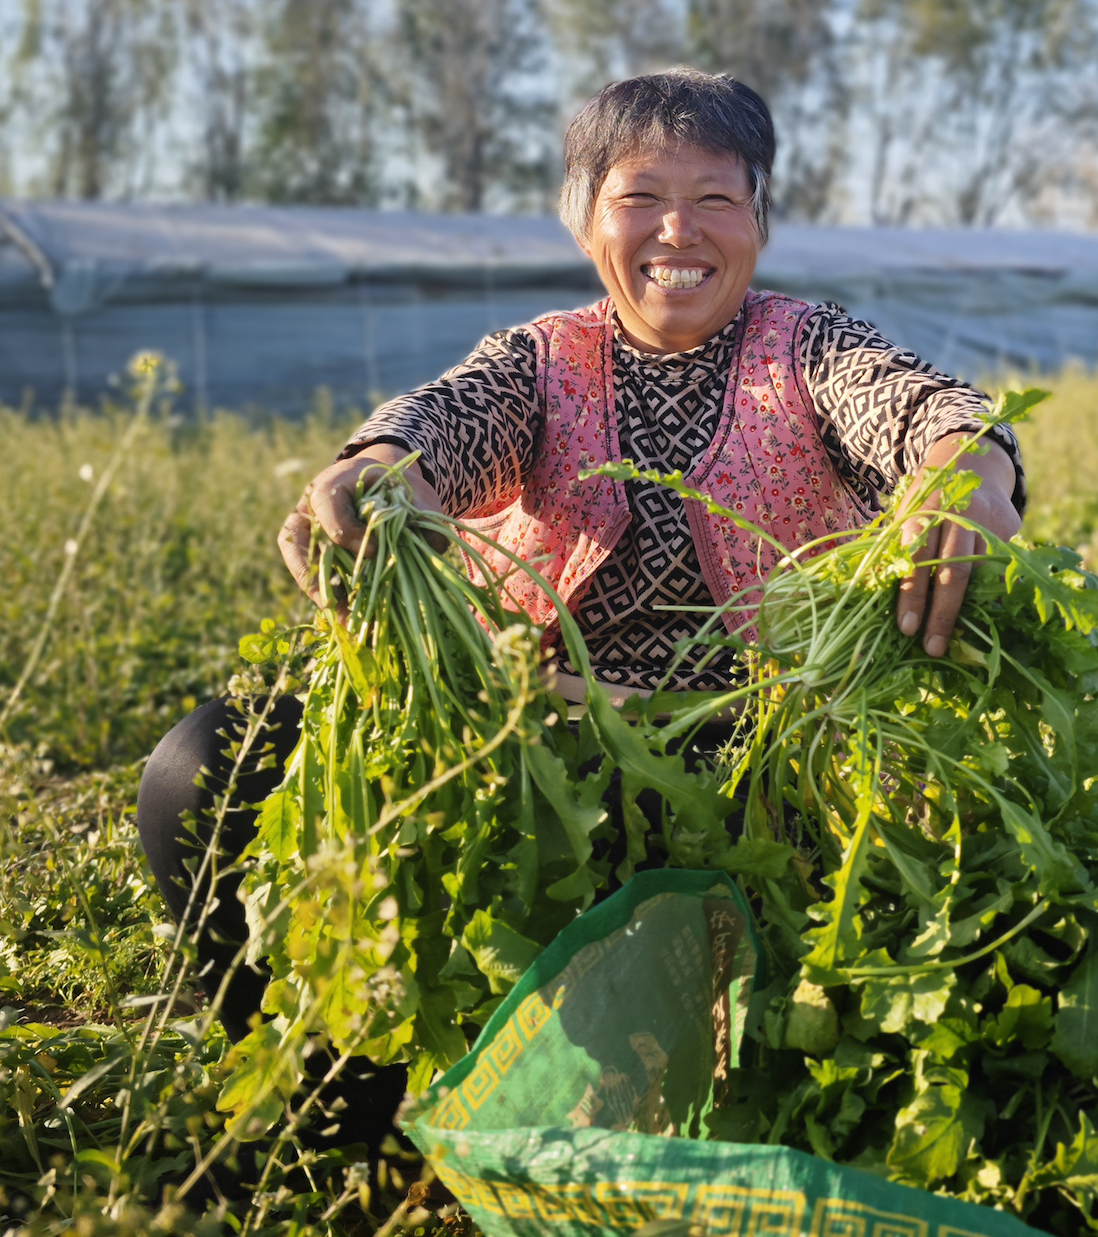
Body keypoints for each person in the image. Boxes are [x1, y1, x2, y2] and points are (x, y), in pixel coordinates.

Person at [135, 69, 1026, 1116]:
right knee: (208, 764)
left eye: (716, 198)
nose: (676, 231)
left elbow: (923, 410)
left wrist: (969, 471)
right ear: (584, 219)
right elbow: (445, 424)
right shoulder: (541, 362)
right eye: (640, 197)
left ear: (759, 221)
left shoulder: (810, 348)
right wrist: (376, 471)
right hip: (529, 768)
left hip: (758, 786)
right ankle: (339, 1109)